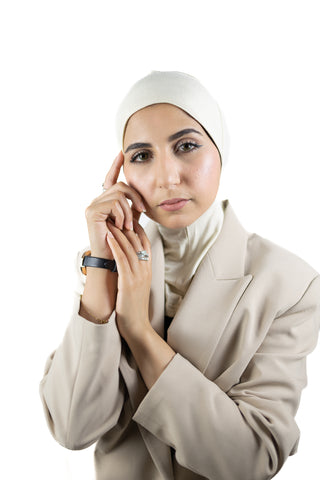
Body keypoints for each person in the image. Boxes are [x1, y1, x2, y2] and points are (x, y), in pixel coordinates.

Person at [39, 70, 320, 480]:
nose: (167, 177)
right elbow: (72, 429)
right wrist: (100, 266)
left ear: (220, 150)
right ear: (123, 173)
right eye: (141, 155)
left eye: (186, 146)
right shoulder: (104, 264)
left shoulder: (288, 284)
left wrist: (138, 329)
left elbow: (250, 460)